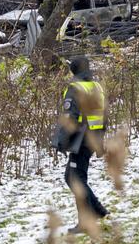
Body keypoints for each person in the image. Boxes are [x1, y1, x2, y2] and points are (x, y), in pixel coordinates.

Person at [52, 56, 108, 233]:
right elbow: (104, 114)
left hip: (81, 139)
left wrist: (61, 141)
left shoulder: (75, 88)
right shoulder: (97, 86)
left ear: (73, 70)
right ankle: (97, 209)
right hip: (94, 137)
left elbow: (70, 118)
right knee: (71, 176)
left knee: (76, 179)